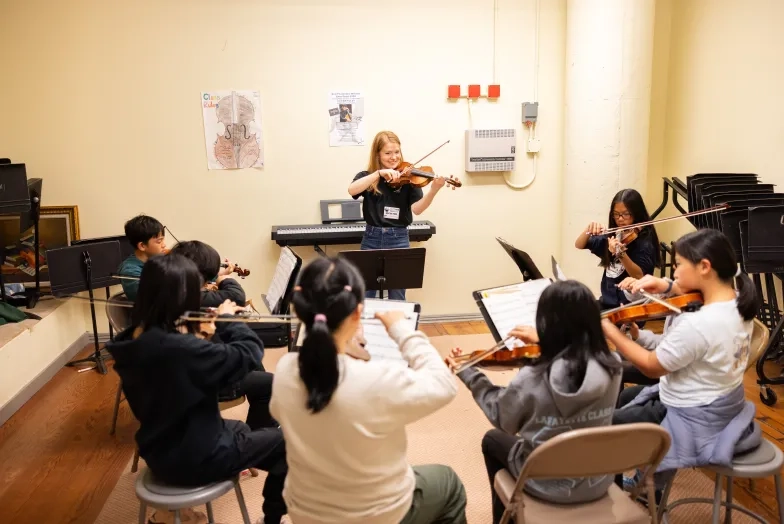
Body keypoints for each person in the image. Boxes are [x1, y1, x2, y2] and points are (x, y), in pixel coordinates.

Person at [269, 256, 466, 524]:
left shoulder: (284, 370)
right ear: (356, 314)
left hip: (305, 513)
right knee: (449, 483)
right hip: (377, 516)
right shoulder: (377, 379)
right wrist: (401, 329)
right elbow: (443, 386)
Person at [106, 254, 289, 524]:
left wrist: (202, 330)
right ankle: (272, 520)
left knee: (242, 430)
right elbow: (248, 356)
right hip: (196, 458)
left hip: (158, 449)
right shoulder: (181, 350)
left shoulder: (134, 339)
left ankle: (168, 516)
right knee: (287, 444)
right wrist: (228, 322)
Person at [446, 280, 623, 524]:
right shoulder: (613, 365)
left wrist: (469, 372)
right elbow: (574, 362)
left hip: (545, 484)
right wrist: (546, 344)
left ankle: (507, 519)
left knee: (492, 439)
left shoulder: (534, 376)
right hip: (598, 480)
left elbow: (503, 418)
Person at [602, 229, 761, 495]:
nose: (673, 273)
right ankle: (649, 479)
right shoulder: (736, 300)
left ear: (705, 267)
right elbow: (690, 290)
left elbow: (652, 365)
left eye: (677, 266)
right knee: (625, 397)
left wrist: (609, 331)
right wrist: (667, 287)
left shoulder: (699, 323)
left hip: (691, 411)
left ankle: (627, 493)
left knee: (605, 430)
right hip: (717, 398)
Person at [169, 239, 277, 430]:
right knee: (273, 384)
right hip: (203, 381)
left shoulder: (172, 289)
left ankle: (264, 425)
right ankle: (256, 437)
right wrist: (220, 280)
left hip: (188, 370)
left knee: (255, 369)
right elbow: (236, 296)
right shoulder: (189, 296)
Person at [347, 130, 458, 300]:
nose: (393, 157)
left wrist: (434, 190)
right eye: (388, 153)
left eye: (396, 152)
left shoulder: (410, 177)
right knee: (365, 294)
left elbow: (417, 209)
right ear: (377, 155)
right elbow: (352, 189)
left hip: (398, 239)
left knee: (397, 295)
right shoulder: (368, 177)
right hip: (371, 238)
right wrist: (378, 174)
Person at [574, 189, 660, 310]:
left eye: (626, 214)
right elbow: (579, 244)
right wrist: (589, 230)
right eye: (616, 214)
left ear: (636, 213)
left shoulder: (644, 242)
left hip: (628, 307)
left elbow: (640, 275)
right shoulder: (615, 235)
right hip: (607, 302)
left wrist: (620, 253)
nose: (620, 219)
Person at [168, 240, 245, 307]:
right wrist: (226, 279)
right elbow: (237, 296)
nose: (205, 285)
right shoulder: (184, 297)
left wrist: (217, 275)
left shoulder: (171, 289)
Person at [117, 214, 167, 301]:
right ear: (142, 246)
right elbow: (150, 299)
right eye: (159, 241)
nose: (164, 245)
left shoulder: (155, 261)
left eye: (163, 239)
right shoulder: (130, 271)